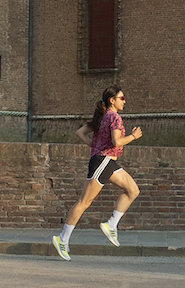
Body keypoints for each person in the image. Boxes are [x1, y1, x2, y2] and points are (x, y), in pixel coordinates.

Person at [52, 86, 141, 259]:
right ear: (112, 100)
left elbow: (80, 133)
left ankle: (111, 225)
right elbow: (116, 141)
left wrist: (95, 147)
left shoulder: (101, 116)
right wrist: (133, 137)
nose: (124, 101)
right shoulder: (114, 117)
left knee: (133, 190)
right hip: (103, 162)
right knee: (83, 202)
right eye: (121, 98)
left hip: (107, 162)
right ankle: (62, 239)